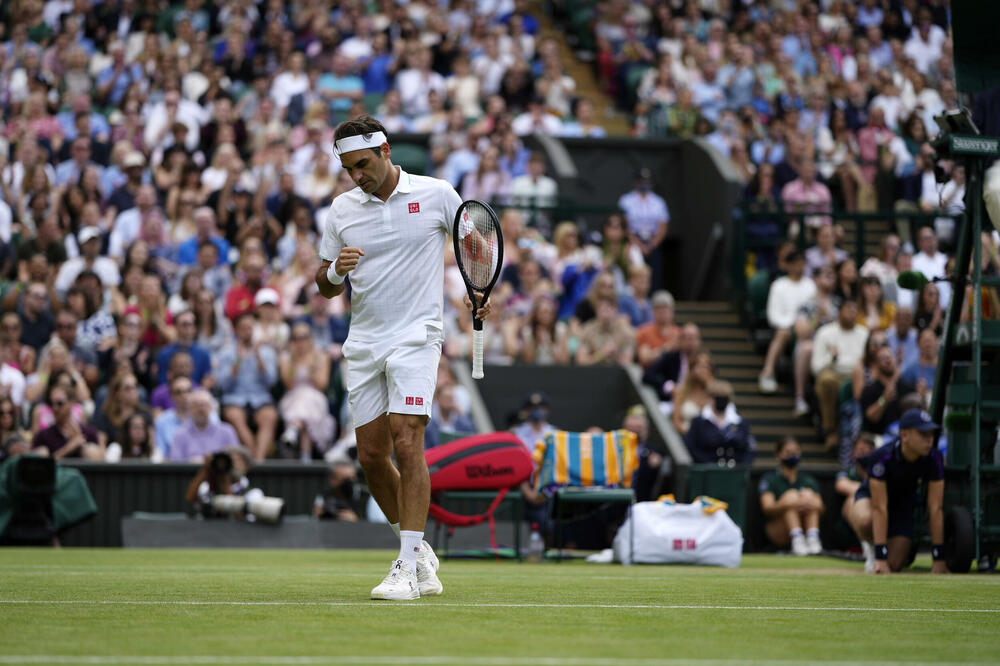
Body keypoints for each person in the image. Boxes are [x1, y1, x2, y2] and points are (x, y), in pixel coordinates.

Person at [314, 116, 492, 601]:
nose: (357, 176)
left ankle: (406, 567)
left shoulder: (437, 193)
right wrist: (334, 270)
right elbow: (324, 286)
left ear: (387, 150)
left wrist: (476, 292)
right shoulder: (341, 209)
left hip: (418, 334)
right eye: (349, 168)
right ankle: (418, 552)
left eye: (363, 164)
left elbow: (474, 245)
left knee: (407, 438)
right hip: (364, 341)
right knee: (372, 457)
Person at [850, 409, 948, 574]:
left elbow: (935, 508)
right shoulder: (881, 457)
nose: (928, 440)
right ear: (904, 435)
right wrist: (881, 558)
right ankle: (872, 548)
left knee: (894, 565)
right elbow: (879, 507)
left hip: (903, 507)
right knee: (866, 522)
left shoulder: (934, 458)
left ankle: (883, 548)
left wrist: (938, 559)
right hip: (873, 501)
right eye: (922, 434)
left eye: (930, 434)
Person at [216, 312, 279, 462]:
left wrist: (259, 358)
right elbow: (223, 386)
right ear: (236, 331)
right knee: (234, 416)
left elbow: (271, 382)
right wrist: (237, 362)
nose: (247, 332)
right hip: (235, 399)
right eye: (243, 328)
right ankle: (254, 456)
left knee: (270, 416)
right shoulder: (226, 354)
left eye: (250, 328)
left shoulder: (267, 353)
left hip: (261, 398)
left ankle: (258, 459)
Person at [811, 300, 869, 449]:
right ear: (839, 311)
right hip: (834, 373)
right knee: (826, 381)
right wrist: (832, 358)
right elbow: (816, 368)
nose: (852, 312)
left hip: (858, 374)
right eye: (848, 308)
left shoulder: (864, 333)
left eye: (855, 309)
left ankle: (860, 433)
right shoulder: (825, 332)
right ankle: (830, 431)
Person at [759, 251, 816, 394]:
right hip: (786, 328)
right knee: (782, 333)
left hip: (807, 329)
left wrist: (804, 325)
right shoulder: (779, 285)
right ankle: (768, 372)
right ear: (788, 266)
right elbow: (773, 315)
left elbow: (813, 312)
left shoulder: (810, 285)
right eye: (796, 264)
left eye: (802, 264)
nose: (799, 267)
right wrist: (793, 324)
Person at [759, 437, 824, 556]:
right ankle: (797, 539)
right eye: (788, 452)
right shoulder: (770, 479)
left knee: (809, 497)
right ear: (778, 455)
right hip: (778, 530)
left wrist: (806, 502)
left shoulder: (808, 480)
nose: (792, 456)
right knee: (791, 501)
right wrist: (787, 503)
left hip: (805, 522)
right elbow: (767, 507)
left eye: (795, 452)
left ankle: (812, 538)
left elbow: (820, 507)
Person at [617, 168, 669, 289]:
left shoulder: (659, 202)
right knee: (635, 273)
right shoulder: (626, 200)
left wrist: (651, 245)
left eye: (647, 181)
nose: (644, 184)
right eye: (641, 181)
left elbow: (662, 227)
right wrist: (637, 244)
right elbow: (625, 226)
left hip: (652, 242)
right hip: (633, 242)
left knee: (654, 276)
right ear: (635, 182)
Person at [684, 380, 754, 466]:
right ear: (710, 398)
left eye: (724, 398)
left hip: (735, 472)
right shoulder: (698, 422)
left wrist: (741, 466)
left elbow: (749, 448)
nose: (721, 401)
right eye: (718, 397)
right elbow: (691, 447)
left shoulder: (740, 422)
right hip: (707, 472)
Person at [835, 433, 876, 570]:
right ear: (853, 454)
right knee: (854, 499)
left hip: (878, 522)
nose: (864, 454)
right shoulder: (848, 472)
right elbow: (841, 485)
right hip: (849, 532)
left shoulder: (879, 471)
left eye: (868, 451)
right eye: (861, 451)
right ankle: (867, 545)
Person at [169, 388, 240, 462]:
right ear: (189, 408)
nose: (201, 409)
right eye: (196, 405)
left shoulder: (227, 431)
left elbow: (235, 459)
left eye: (204, 405)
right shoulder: (180, 434)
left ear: (212, 408)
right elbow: (175, 462)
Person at [635, 290, 680, 367]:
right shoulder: (645, 332)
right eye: (658, 308)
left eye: (665, 308)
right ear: (652, 311)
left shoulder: (679, 333)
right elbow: (644, 358)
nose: (662, 312)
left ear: (672, 311)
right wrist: (667, 348)